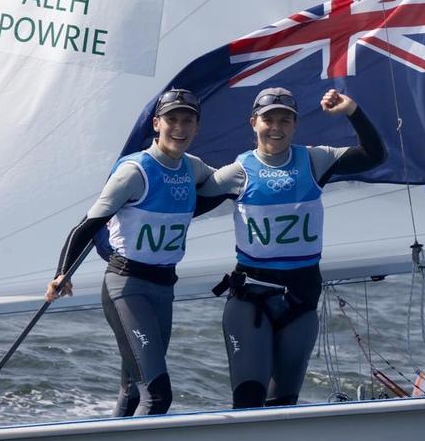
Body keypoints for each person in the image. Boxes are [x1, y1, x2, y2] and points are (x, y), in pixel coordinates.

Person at [205, 86, 386, 408]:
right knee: (248, 401)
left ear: (295, 124)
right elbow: (180, 207)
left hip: (301, 300)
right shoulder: (237, 173)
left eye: (285, 120)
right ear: (253, 123)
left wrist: (351, 110)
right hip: (251, 300)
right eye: (268, 119)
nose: (276, 127)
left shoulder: (315, 160)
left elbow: (375, 156)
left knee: (284, 405)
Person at [46, 88, 215, 417]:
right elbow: (86, 226)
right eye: (171, 120)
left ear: (197, 127)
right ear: (156, 123)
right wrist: (61, 273)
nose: (179, 128)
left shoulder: (194, 168)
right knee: (157, 394)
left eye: (187, 121)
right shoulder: (133, 172)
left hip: (164, 290)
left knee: (133, 391)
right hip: (127, 287)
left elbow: (219, 189)